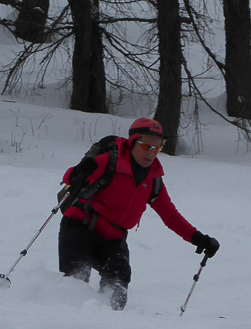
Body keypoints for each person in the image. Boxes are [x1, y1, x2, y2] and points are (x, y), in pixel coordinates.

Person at [58, 117, 220, 310]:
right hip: (80, 228)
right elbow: (70, 178)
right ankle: (66, 317)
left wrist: (199, 239)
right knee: (76, 280)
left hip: (113, 240)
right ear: (132, 142)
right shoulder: (110, 161)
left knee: (117, 290)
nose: (151, 153)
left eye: (157, 148)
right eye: (146, 146)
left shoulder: (153, 180)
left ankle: (107, 321)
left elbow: (170, 216)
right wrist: (80, 170)